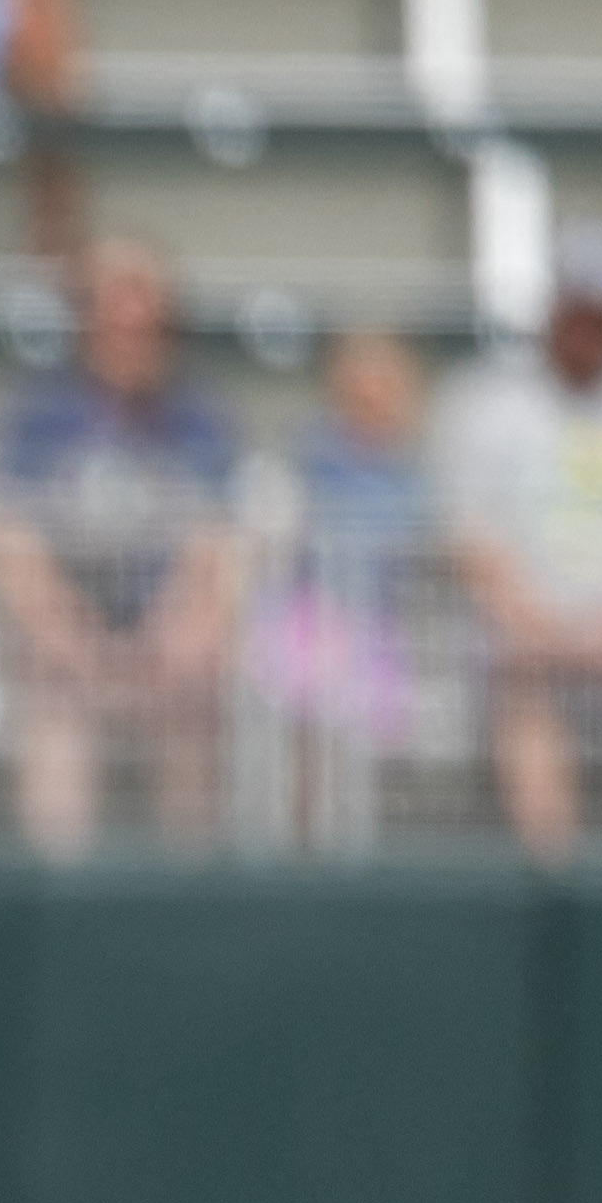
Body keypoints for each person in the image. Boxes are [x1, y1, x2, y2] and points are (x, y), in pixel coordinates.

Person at [0, 237, 239, 855]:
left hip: (167, 641)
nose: (131, 333)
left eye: (146, 319)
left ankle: (186, 885)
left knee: (197, 679)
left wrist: (176, 633)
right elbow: (5, 535)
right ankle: (63, 894)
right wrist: (69, 635)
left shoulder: (201, 417)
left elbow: (219, 541)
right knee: (52, 693)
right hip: (66, 640)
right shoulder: (35, 416)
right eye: (114, 314)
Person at [436, 223, 602, 860]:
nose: (586, 329)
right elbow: (471, 543)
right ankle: (559, 893)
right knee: (526, 688)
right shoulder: (486, 404)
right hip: (522, 645)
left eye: (599, 314)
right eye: (576, 311)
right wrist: (548, 632)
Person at [252, 326, 427, 854]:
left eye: (384, 386)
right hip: (309, 617)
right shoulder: (307, 455)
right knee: (310, 713)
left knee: (364, 722)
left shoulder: (411, 477)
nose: (372, 399)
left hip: (377, 632)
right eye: (360, 386)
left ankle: (353, 847)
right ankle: (305, 846)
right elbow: (278, 533)